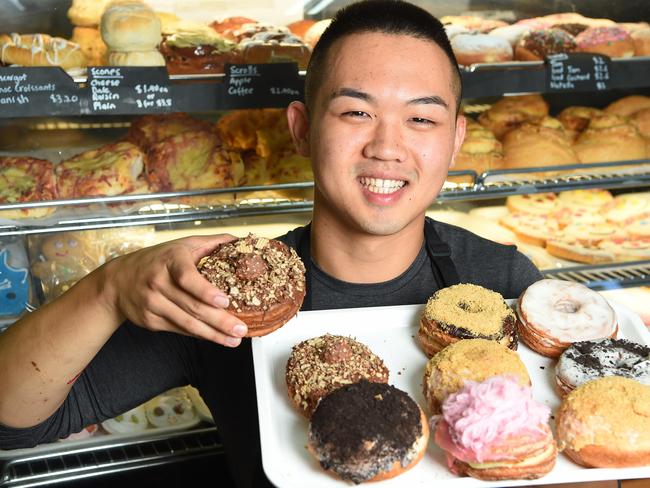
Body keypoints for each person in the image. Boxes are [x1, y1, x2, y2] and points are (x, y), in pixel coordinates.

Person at [0, 1, 541, 487]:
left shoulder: (508, 288)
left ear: (455, 142)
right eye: (356, 112)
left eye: (421, 118)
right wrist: (110, 287)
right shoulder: (226, 295)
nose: (386, 147)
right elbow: (15, 422)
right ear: (301, 129)